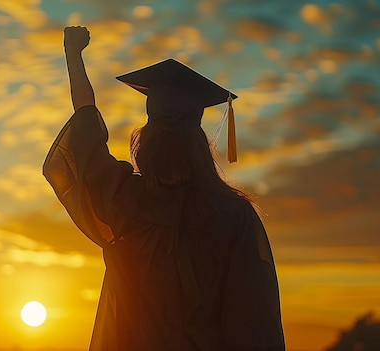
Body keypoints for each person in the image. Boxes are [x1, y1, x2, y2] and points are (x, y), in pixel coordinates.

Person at [43, 26, 285, 351]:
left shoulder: (124, 199)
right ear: (200, 144)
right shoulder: (234, 216)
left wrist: (73, 55)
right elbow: (255, 321)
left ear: (146, 142)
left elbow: (86, 132)